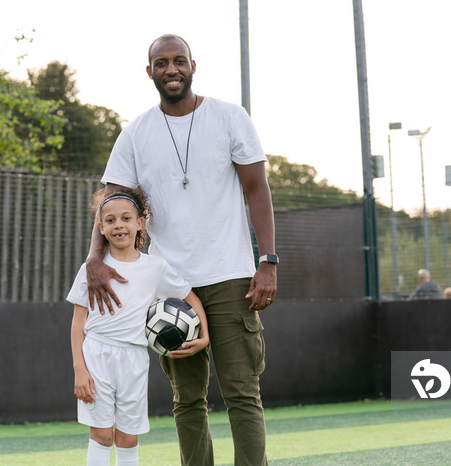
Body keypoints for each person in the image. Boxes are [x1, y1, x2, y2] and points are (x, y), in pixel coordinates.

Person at [85, 34, 277, 466]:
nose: (171, 69)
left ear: (193, 65)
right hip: (169, 288)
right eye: (161, 62)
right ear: (149, 70)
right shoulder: (135, 133)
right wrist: (94, 258)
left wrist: (267, 260)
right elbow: (112, 202)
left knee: (242, 393)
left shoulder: (229, 117)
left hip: (231, 278)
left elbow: (256, 189)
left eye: (178, 61)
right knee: (187, 400)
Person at [68, 188, 209, 466]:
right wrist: (79, 370)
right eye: (110, 220)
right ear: (101, 227)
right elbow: (78, 322)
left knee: (129, 439)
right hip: (97, 356)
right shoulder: (92, 268)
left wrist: (204, 335)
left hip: (134, 358)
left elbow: (189, 296)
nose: (118, 225)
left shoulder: (154, 267)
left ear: (139, 223)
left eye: (126, 218)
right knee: (102, 435)